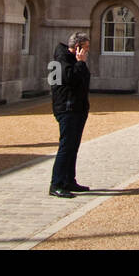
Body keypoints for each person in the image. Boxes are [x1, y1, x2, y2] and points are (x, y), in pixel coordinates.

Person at [49, 32, 91, 197]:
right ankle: (57, 183)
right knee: (66, 147)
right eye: (85, 47)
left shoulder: (70, 60)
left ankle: (68, 180)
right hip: (67, 107)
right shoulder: (61, 60)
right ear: (77, 47)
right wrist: (80, 63)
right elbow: (69, 80)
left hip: (76, 107)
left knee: (73, 147)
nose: (87, 51)